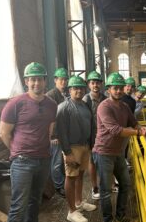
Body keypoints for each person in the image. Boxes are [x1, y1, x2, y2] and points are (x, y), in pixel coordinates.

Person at [0, 62, 57, 222]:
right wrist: (17, 151)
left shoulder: (51, 105)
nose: (36, 83)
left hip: (44, 160)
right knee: (18, 206)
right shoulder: (15, 104)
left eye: (39, 79)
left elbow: (49, 130)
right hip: (22, 162)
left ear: (45, 81)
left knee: (35, 202)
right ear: (26, 81)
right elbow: (3, 132)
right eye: (32, 79)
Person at [93, 72, 146, 222]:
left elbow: (133, 122)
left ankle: (120, 216)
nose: (118, 91)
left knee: (125, 184)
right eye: (115, 88)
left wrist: (141, 128)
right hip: (104, 152)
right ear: (108, 90)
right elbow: (116, 130)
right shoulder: (103, 107)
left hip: (118, 153)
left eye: (120, 88)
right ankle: (108, 219)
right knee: (106, 190)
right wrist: (138, 133)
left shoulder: (125, 107)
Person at [56, 75, 96, 222]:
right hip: (72, 148)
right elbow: (61, 132)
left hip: (84, 146)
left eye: (80, 88)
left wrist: (90, 145)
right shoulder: (63, 107)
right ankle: (71, 211)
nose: (78, 90)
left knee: (80, 175)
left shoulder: (85, 105)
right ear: (70, 90)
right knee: (71, 177)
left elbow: (91, 125)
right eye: (75, 88)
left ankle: (79, 203)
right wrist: (67, 153)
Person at [82, 70, 106, 200]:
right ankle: (94, 187)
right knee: (92, 162)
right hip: (91, 137)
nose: (95, 85)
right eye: (93, 83)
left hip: (105, 137)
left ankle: (106, 185)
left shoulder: (105, 99)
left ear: (101, 84)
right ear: (89, 85)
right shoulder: (86, 100)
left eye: (97, 83)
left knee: (104, 161)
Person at [46, 67, 69, 197]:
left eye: (65, 79)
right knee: (56, 163)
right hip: (55, 136)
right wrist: (53, 136)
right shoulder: (51, 96)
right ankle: (59, 186)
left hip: (63, 133)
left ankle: (63, 183)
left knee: (62, 161)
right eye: (61, 79)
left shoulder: (64, 95)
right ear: (55, 80)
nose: (64, 82)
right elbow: (50, 117)